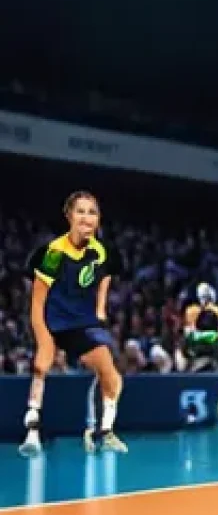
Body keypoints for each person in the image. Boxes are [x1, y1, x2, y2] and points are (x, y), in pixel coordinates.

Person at [20, 191, 127, 456]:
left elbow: (105, 275)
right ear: (68, 216)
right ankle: (32, 430)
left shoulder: (100, 251)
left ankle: (104, 431)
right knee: (41, 367)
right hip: (52, 320)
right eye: (81, 211)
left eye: (93, 212)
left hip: (80, 324)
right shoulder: (55, 252)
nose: (87, 217)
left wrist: (101, 306)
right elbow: (36, 301)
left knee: (111, 372)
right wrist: (44, 339)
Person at [182, 282, 218, 372]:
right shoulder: (191, 310)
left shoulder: (215, 310)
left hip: (209, 344)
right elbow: (189, 331)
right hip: (197, 344)